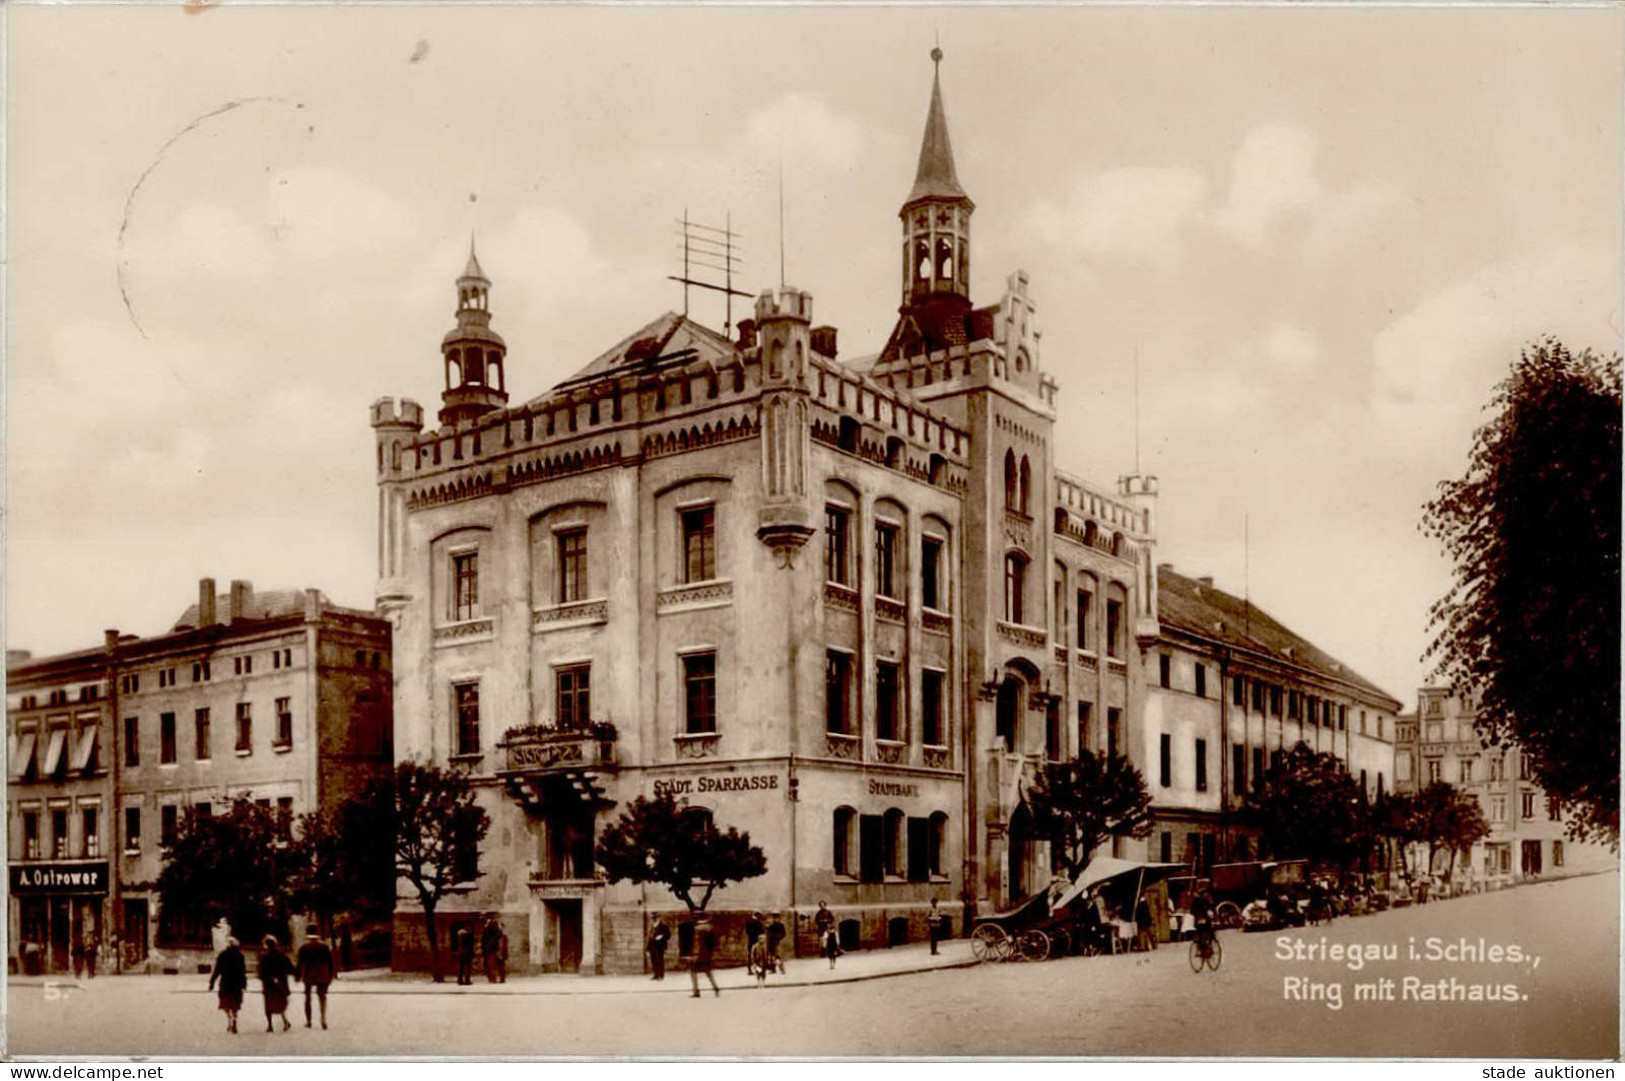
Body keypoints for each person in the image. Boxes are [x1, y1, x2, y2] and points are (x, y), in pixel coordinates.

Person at [295, 931, 336, 1029]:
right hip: (322, 972)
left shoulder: (304, 947)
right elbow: (330, 962)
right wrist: (330, 975)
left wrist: (297, 976)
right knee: (322, 996)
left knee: (308, 997)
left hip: (309, 972)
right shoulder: (324, 947)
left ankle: (309, 1021)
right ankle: (323, 1019)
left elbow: (300, 963)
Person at [208, 936, 247, 1034]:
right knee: (235, 1005)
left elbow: (217, 970)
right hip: (236, 984)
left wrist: (212, 982)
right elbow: (243, 972)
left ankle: (230, 1020)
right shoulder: (240, 955)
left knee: (225, 1004)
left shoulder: (223, 955)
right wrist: (244, 984)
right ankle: (234, 1019)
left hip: (225, 983)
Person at [258, 935, 294, 1033]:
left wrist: (264, 978)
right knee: (280, 1003)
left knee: (268, 1005)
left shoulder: (264, 957)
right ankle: (285, 1021)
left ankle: (270, 1025)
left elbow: (261, 972)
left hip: (268, 984)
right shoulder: (282, 955)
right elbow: (290, 967)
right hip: (281, 983)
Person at [688, 917, 719, 998]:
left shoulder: (697, 930)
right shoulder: (710, 928)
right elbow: (714, 943)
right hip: (707, 954)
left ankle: (696, 990)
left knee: (693, 971)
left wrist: (694, 954)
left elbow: (697, 943)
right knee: (708, 971)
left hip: (699, 954)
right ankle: (715, 987)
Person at [481, 915, 506, 984]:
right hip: (494, 949)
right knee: (498, 965)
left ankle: (492, 978)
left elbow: (484, 941)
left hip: (490, 950)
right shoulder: (497, 932)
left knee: (491, 965)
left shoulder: (487, 930)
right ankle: (499, 978)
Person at [814, 901, 837, 969]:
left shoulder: (828, 912)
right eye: (821, 905)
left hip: (828, 930)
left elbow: (832, 919)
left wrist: (827, 921)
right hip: (822, 930)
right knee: (823, 943)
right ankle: (823, 952)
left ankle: (832, 953)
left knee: (831, 943)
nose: (822, 906)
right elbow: (816, 921)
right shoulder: (818, 913)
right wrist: (821, 922)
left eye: (823, 905)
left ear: (825, 905)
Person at [647, 916, 671, 980]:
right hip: (652, 946)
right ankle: (656, 974)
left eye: (655, 918)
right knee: (653, 961)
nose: (654, 920)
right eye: (653, 919)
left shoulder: (663, 925)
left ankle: (661, 975)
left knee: (660, 960)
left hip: (660, 946)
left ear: (658, 918)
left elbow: (668, 935)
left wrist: (662, 936)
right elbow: (650, 937)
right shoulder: (652, 926)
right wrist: (648, 948)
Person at [744, 911, 764, 976]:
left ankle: (749, 970)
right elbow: (761, 931)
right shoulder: (758, 923)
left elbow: (747, 931)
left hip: (750, 940)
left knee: (750, 955)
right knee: (757, 956)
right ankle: (757, 969)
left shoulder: (748, 922)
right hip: (756, 941)